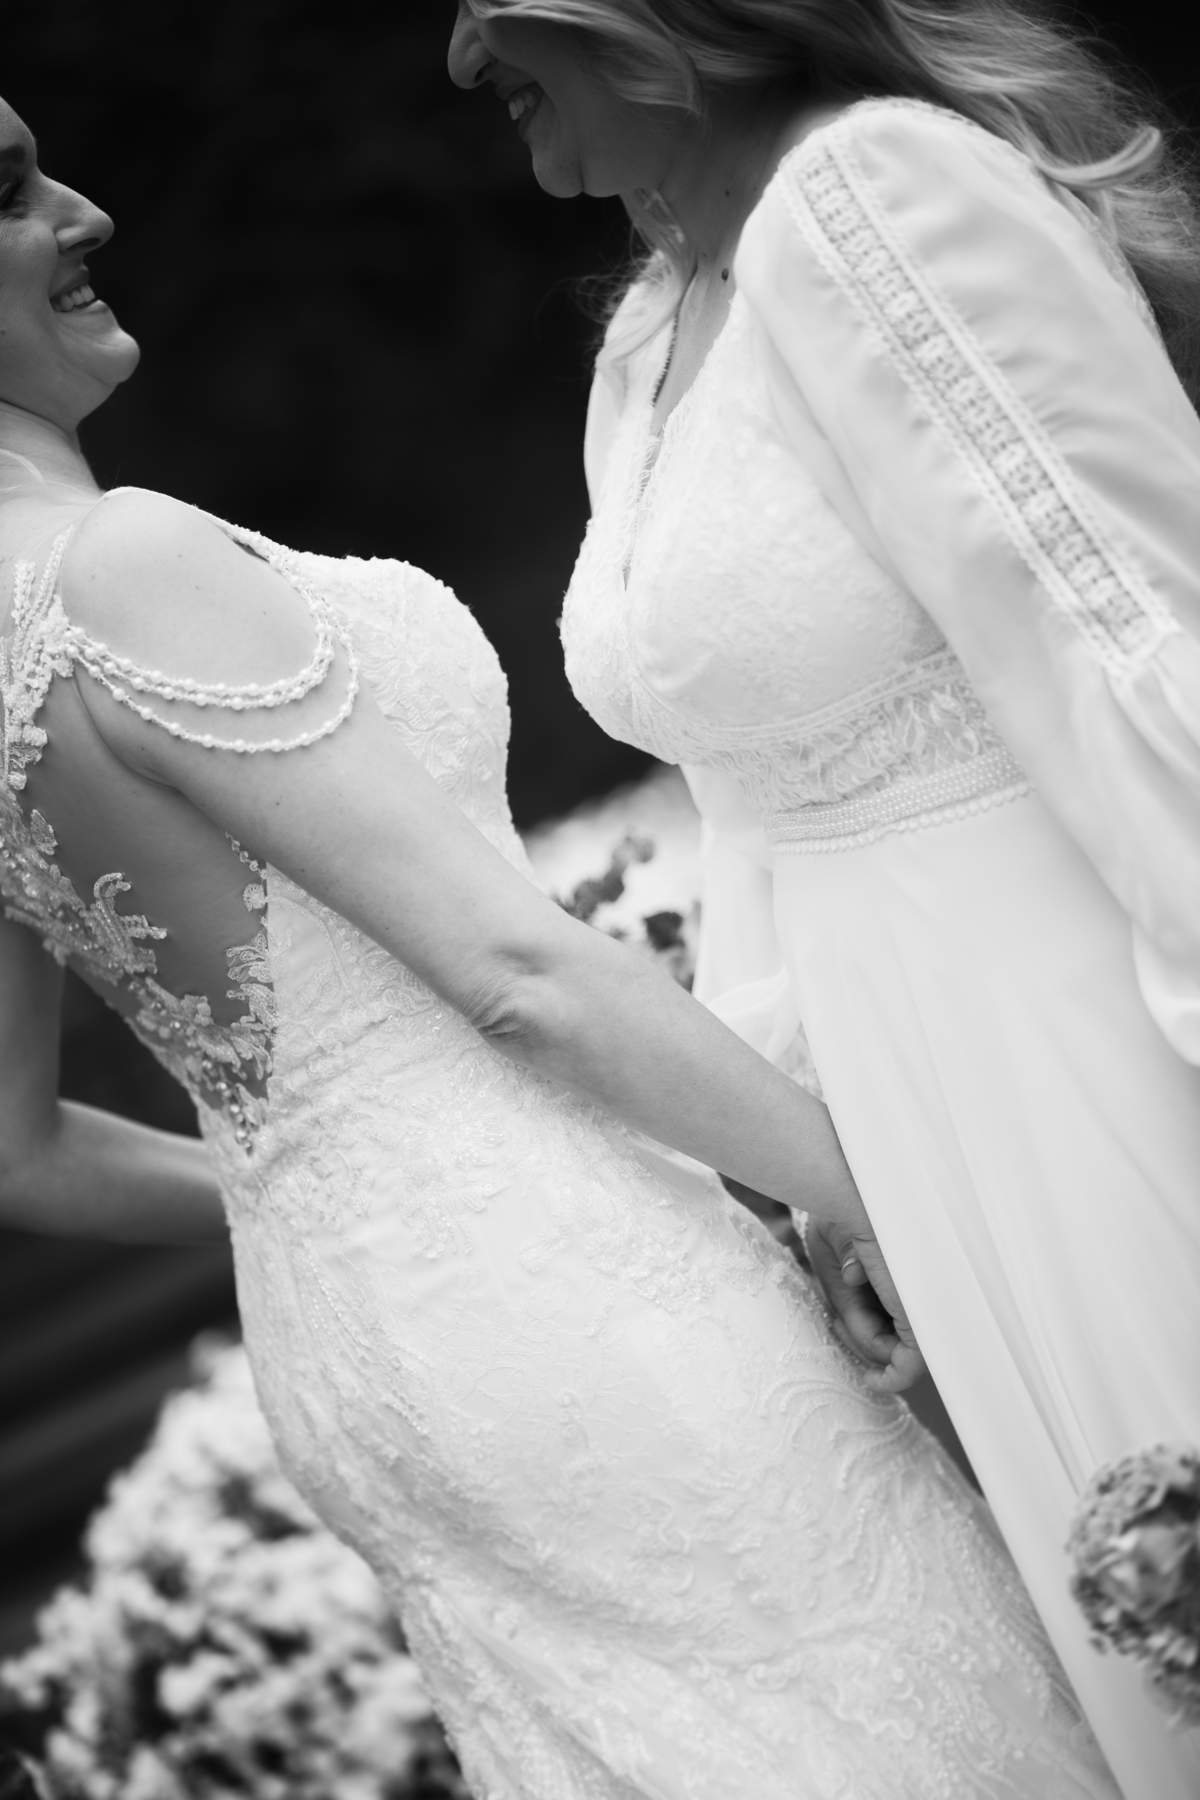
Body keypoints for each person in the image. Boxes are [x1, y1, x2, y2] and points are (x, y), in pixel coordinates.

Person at [0, 91, 1122, 1800]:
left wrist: (341, 1186)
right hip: (571, 1280)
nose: (82, 211)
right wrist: (876, 1197)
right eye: (11, 193)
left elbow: (20, 1158)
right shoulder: (124, 561)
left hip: (355, 1343)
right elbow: (513, 976)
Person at [447, 2, 1200, 1794]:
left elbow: (1131, 635)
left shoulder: (877, 191)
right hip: (914, 1123)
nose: (461, 57)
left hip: (1087, 1037)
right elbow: (747, 789)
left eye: (487, 5)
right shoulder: (652, 332)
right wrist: (810, 1149)